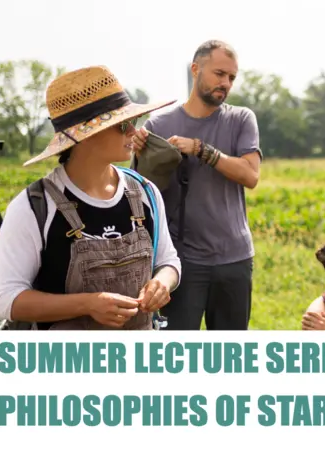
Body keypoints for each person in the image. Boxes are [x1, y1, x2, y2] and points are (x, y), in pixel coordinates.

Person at [0, 65, 181, 330]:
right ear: (85, 135)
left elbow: (168, 261)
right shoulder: (35, 207)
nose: (133, 133)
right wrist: (88, 304)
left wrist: (163, 282)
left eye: (132, 122)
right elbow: (3, 299)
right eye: (122, 124)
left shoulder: (145, 192)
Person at [132, 39, 263, 331]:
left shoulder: (241, 119)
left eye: (231, 77)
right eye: (219, 73)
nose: (226, 83)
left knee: (231, 359)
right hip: (179, 263)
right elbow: (142, 195)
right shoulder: (158, 126)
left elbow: (251, 175)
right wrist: (142, 154)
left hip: (234, 258)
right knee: (177, 355)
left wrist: (201, 149)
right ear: (195, 69)